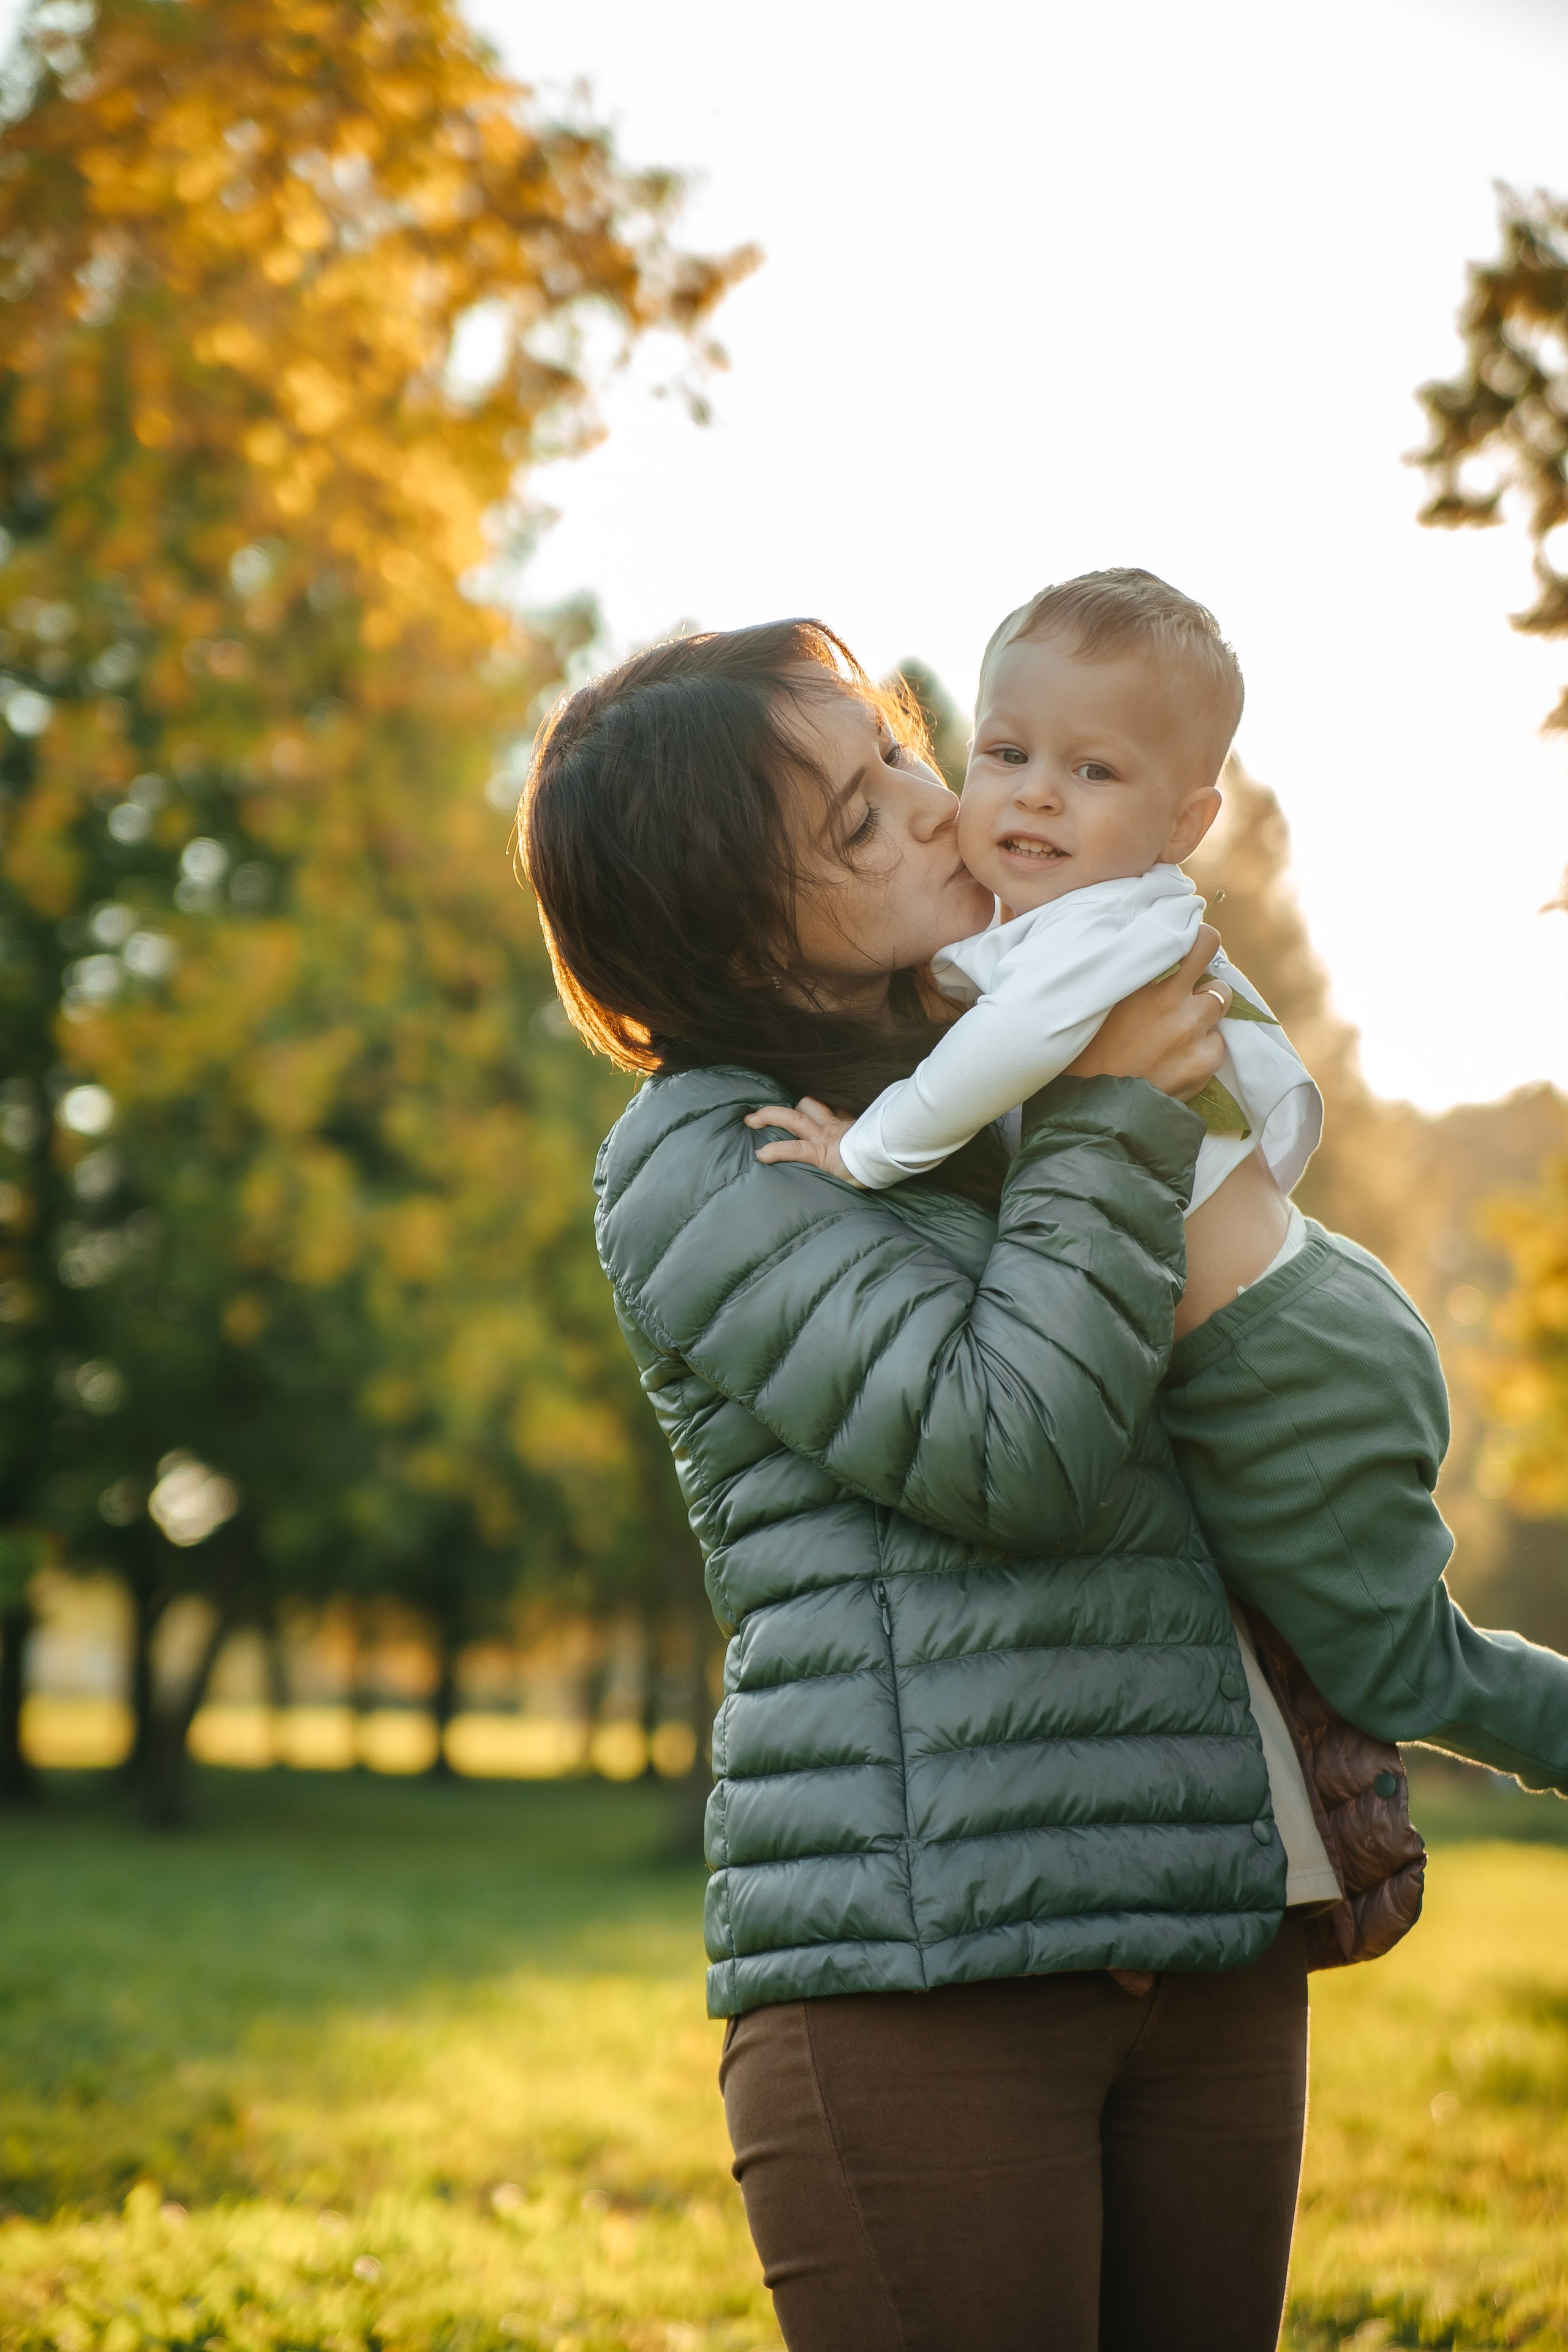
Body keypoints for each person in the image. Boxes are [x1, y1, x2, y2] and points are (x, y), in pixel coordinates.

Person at [521, 617, 1334, 2351]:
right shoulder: (705, 1159)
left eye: (901, 754)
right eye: (854, 823)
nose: (935, 808)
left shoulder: (1006, 1046)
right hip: (926, 1962)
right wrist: (1117, 1111)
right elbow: (1010, 1446)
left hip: (1202, 1915)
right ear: (730, 931)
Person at [752, 570, 1568, 1803]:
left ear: (1184, 823)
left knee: (1396, 1668)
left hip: (1283, 1359)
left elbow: (1003, 1056)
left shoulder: (1110, 932)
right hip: (1260, 1335)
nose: (1033, 791)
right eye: (1009, 751)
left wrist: (864, 1152)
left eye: (1093, 773)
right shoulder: (1043, 928)